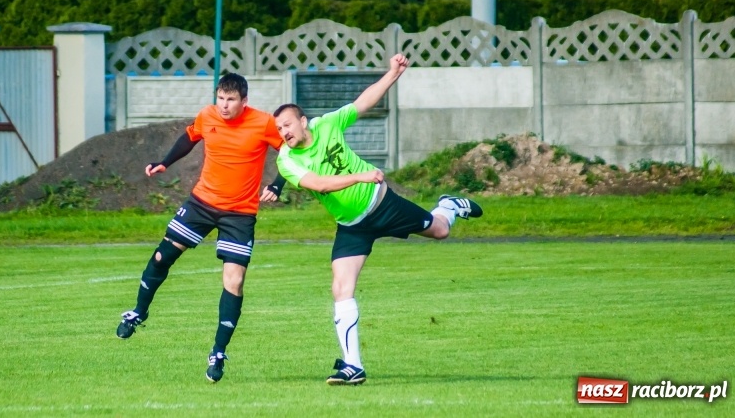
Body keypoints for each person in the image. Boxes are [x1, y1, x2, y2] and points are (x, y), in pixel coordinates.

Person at [272, 53, 483, 386]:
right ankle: (353, 366)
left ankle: (449, 206)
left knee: (440, 230)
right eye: (278, 129)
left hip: (382, 205)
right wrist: (360, 176)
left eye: (287, 125)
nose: (283, 132)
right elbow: (321, 184)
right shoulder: (287, 160)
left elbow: (362, 103)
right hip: (352, 225)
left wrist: (392, 74)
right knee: (340, 286)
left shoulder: (327, 124)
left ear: (303, 121)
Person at [116, 72, 285, 384]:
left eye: (231, 99)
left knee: (234, 282)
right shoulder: (207, 116)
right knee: (161, 256)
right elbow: (190, 137)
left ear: (244, 101)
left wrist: (278, 184)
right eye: (220, 98)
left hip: (239, 215)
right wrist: (165, 162)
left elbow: (290, 151)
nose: (223, 105)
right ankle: (138, 311)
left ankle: (218, 352)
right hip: (201, 204)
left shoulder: (263, 123)